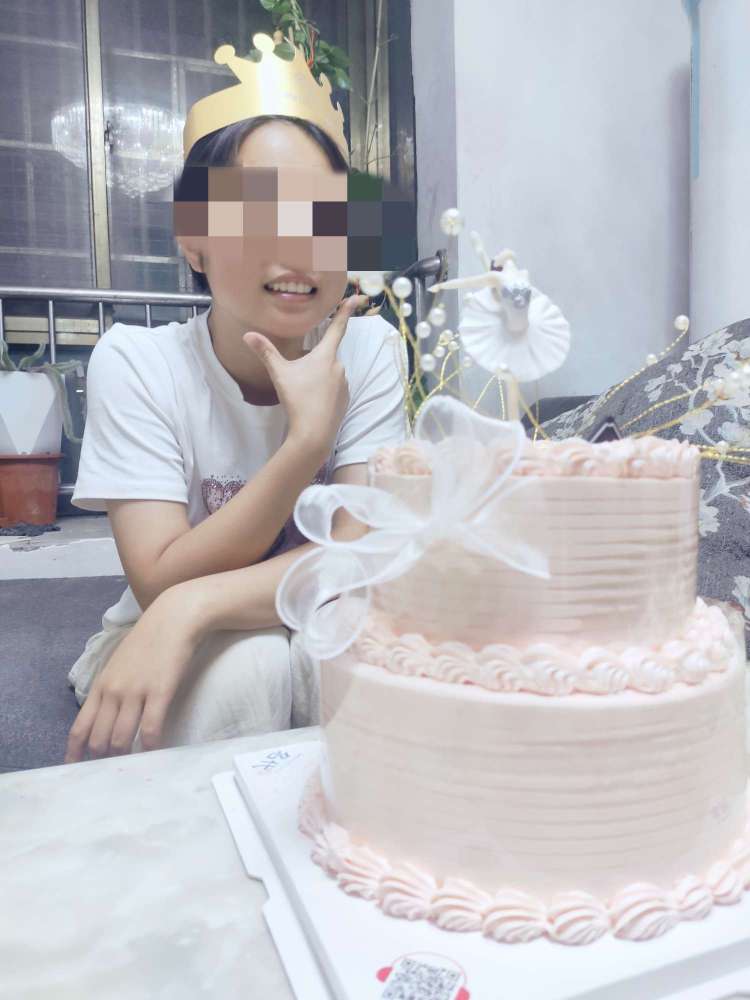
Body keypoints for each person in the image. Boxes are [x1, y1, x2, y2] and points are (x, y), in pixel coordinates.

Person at [64, 112, 405, 763]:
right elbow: (156, 584)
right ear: (194, 242)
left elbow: (362, 555)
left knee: (356, 646)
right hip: (157, 635)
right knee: (247, 670)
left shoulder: (370, 349)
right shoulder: (138, 361)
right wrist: (306, 444)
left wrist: (193, 602)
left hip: (283, 607)